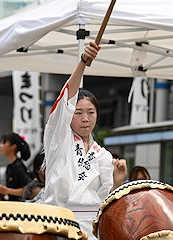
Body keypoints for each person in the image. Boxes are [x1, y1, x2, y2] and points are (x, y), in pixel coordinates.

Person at [43, 41, 127, 239]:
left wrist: (117, 181)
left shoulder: (103, 155)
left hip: (92, 227)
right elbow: (66, 99)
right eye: (78, 112)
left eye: (90, 112)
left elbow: (105, 199)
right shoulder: (59, 139)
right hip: (59, 222)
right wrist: (82, 62)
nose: (85, 118)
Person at [0, 132, 31, 201]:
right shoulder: (10, 166)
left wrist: (6, 190)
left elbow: (28, 190)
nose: (0, 146)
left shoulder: (18, 166)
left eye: (4, 143)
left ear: (13, 146)